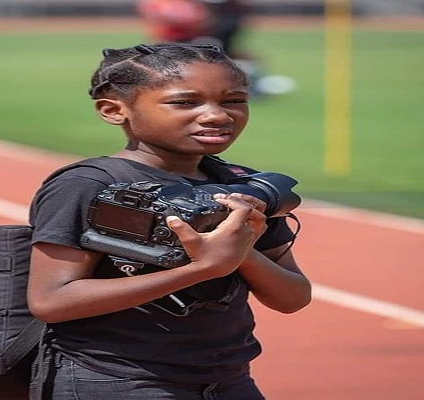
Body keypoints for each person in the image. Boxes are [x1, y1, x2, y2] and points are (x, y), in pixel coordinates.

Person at [27, 43, 312, 400]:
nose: (217, 115)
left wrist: (243, 252)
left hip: (228, 379)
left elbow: (294, 298)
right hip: (116, 379)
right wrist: (202, 268)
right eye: (185, 102)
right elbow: (51, 301)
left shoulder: (244, 188)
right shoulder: (87, 185)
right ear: (114, 110)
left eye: (234, 101)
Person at [137, 0, 210, 44]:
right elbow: (154, 18)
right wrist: (180, 20)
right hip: (165, 39)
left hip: (190, 38)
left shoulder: (190, 2)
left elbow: (202, 17)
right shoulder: (157, 2)